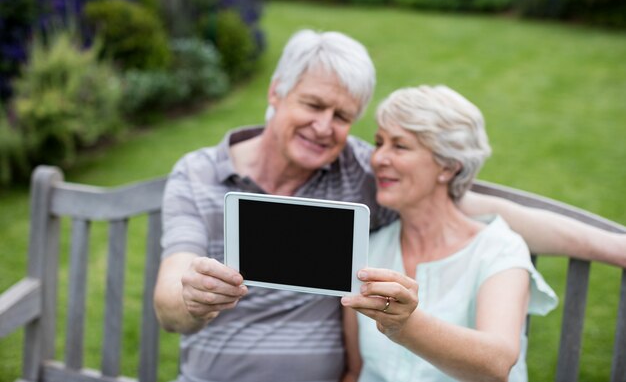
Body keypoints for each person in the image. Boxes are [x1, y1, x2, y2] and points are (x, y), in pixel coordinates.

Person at [153, 29, 625, 382]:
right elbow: (169, 303)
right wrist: (191, 298)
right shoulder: (199, 174)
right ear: (276, 92)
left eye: (342, 116)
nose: (324, 128)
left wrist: (613, 245)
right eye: (313, 105)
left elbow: (468, 210)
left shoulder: (361, 171)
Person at [341, 85, 558, 382]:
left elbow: (498, 364)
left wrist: (406, 325)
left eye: (399, 146)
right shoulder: (368, 249)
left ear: (448, 167)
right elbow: (355, 371)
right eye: (379, 143)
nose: (378, 158)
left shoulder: (498, 250)